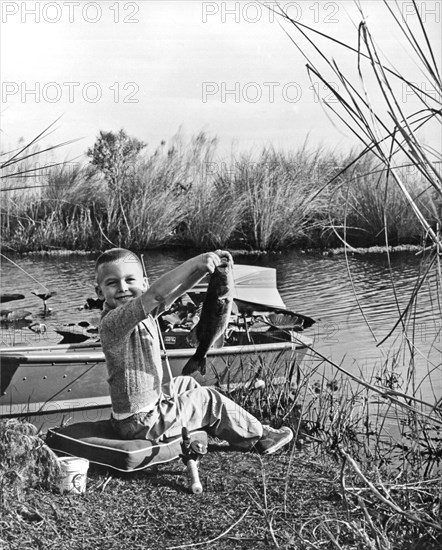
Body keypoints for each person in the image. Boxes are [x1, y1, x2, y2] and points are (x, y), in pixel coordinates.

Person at [95, 247, 293, 455]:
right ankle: (260, 437)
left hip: (143, 413)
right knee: (208, 399)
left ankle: (224, 426)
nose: (122, 288)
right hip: (140, 423)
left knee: (187, 383)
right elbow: (156, 294)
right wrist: (195, 261)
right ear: (99, 292)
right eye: (112, 282)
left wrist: (203, 269)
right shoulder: (113, 322)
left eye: (129, 280)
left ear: (143, 283)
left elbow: (175, 291)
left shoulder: (145, 314)